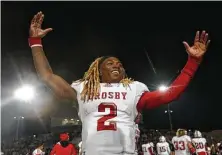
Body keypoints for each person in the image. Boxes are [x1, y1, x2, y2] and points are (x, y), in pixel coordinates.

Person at [28, 11, 210, 155]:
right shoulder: (84, 88)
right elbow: (48, 77)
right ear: (98, 70)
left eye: (120, 64)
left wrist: (192, 63)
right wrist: (36, 42)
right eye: (110, 63)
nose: (117, 65)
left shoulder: (133, 89)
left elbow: (172, 94)